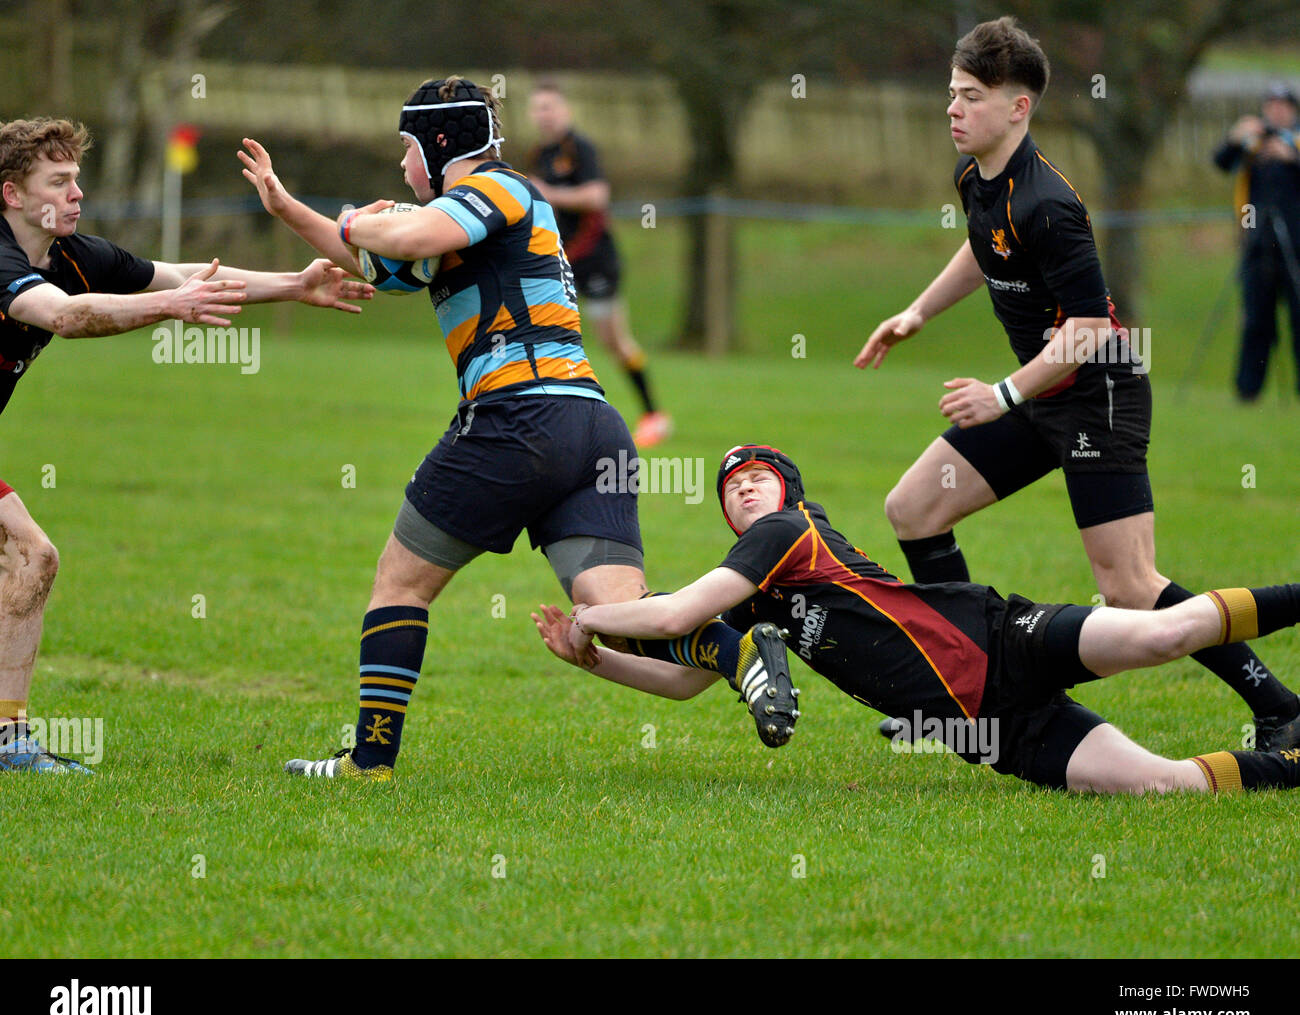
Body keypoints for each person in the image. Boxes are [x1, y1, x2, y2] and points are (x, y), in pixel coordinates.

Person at [239, 77, 793, 781]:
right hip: (590, 425)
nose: (403, 168)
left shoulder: (499, 189)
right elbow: (385, 261)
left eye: (408, 150)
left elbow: (402, 234)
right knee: (616, 612)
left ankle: (370, 761)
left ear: (441, 147)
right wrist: (290, 208)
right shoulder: (467, 217)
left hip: (517, 418)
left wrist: (354, 217)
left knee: (400, 582)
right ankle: (739, 654)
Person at [852, 16, 1300, 752]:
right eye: (951, 94)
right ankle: (972, 697)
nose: (952, 110)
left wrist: (1000, 393)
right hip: (1039, 393)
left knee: (1129, 587)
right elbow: (983, 245)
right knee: (915, 508)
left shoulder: (1051, 204)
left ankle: (1280, 705)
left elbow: (1089, 328)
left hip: (1100, 396)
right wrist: (917, 311)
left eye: (969, 96)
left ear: (1017, 108)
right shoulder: (975, 178)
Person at [534, 444, 1300, 795]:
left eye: (757, 478)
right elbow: (682, 679)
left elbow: (671, 610)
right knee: (1165, 787)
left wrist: (592, 614)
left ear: (789, 492)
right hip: (990, 731)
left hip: (996, 641)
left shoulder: (789, 531)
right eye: (729, 489)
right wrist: (594, 659)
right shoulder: (754, 590)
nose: (742, 492)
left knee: (1164, 632)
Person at [0, 116, 371, 773]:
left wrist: (292, 285)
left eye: (77, 179)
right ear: (12, 195)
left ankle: (6, 741)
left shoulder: (74, 256)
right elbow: (61, 314)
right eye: (58, 182)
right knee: (32, 554)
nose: (76, 192)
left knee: (34, 558)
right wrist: (171, 309)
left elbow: (186, 274)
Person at [525, 80, 672, 449]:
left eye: (551, 107)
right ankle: (547, 416)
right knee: (548, 333)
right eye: (539, 108)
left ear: (566, 111)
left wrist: (550, 193)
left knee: (614, 340)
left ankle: (654, 415)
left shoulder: (580, 148)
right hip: (559, 261)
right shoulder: (538, 154)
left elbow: (597, 195)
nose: (545, 114)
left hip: (596, 259)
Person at [1213, 82, 1300, 401]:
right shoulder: (1253, 141)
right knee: (1256, 320)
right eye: (1271, 105)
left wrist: (1290, 156)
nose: (1277, 111)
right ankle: (1248, 391)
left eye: (1284, 105)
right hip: (1257, 245)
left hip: (1296, 244)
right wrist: (1235, 137)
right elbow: (1221, 161)